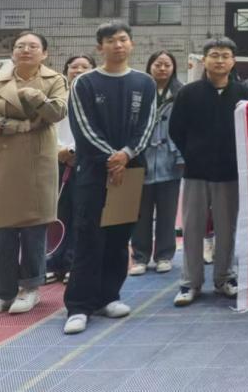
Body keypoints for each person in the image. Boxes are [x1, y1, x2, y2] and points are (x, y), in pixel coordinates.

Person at [62, 22, 156, 335]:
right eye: (111, 40)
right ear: (99, 47)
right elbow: (83, 127)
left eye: (123, 39)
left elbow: (147, 126)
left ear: (131, 44)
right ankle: (79, 306)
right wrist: (111, 158)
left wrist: (126, 155)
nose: (118, 45)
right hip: (93, 172)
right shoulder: (84, 82)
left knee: (118, 237)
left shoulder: (144, 82)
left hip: (130, 171)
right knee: (89, 237)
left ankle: (108, 297)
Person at [0, 31, 68, 317]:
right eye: (20, 46)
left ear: (44, 53)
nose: (25, 50)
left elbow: (57, 112)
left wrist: (37, 98)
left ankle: (30, 287)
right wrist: (16, 125)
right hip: (2, 163)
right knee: (1, 233)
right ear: (12, 52)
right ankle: (2, 292)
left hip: (37, 161)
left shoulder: (55, 80)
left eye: (32, 46)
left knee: (33, 230)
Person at [169, 37, 248, 307]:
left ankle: (225, 277)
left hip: (229, 172)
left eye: (225, 56)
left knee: (227, 228)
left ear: (233, 61)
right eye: (214, 55)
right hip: (196, 171)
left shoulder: (242, 93)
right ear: (204, 60)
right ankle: (189, 282)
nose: (219, 60)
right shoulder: (188, 93)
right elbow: (176, 129)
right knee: (193, 228)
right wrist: (193, 153)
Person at [129, 51, 184, 277]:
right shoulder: (137, 91)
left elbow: (186, 127)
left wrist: (181, 156)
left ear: (173, 68)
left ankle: (164, 256)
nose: (162, 68)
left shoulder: (181, 93)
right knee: (139, 213)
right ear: (149, 66)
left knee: (167, 212)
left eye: (167, 65)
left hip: (170, 160)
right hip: (140, 159)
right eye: (158, 64)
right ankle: (140, 257)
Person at [46, 53, 96, 284]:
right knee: (58, 214)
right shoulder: (57, 98)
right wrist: (60, 151)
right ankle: (52, 262)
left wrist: (75, 151)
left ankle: (72, 263)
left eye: (85, 67)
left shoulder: (96, 98)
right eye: (74, 66)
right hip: (57, 160)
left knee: (80, 215)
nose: (79, 70)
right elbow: (49, 128)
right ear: (66, 70)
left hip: (85, 162)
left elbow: (94, 131)